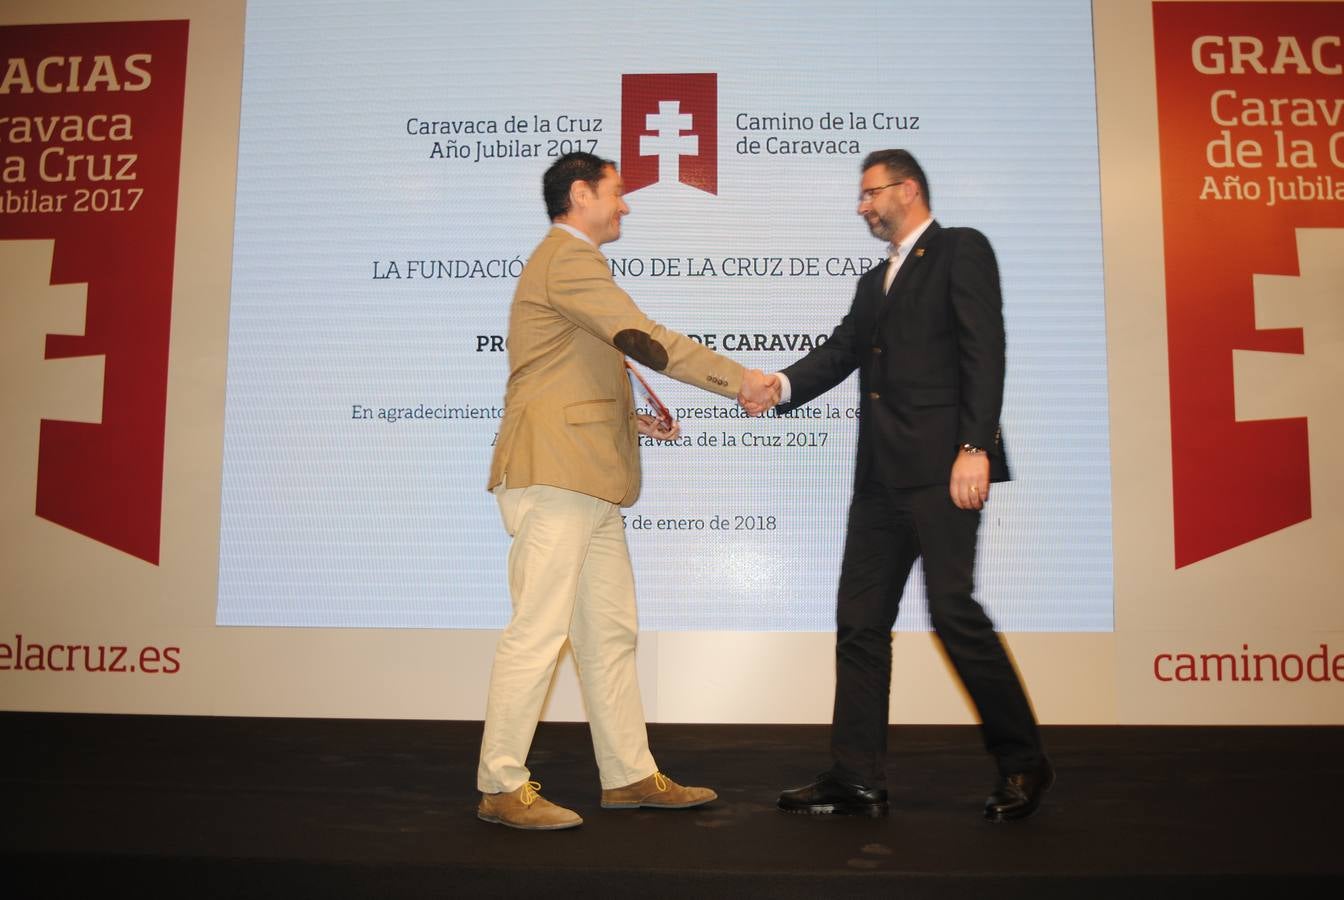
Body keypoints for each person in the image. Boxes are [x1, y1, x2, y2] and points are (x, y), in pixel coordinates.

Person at [478, 151, 778, 830]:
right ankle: (500, 783)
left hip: (585, 477)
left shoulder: (566, 264)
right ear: (581, 195)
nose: (626, 205)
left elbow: (565, 371)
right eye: (617, 193)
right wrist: (741, 382)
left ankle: (629, 775)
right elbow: (644, 339)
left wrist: (628, 419)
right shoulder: (569, 257)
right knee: (538, 631)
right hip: (559, 475)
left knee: (608, 633)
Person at [772, 149, 1052, 823]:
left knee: (954, 613)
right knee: (860, 624)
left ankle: (1023, 762)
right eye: (861, 196)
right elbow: (842, 353)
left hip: (944, 471)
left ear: (910, 189)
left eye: (870, 193)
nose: (861, 206)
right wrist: (776, 387)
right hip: (879, 481)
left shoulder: (960, 250)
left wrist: (974, 447)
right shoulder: (875, 281)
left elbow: (987, 348)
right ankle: (856, 777)